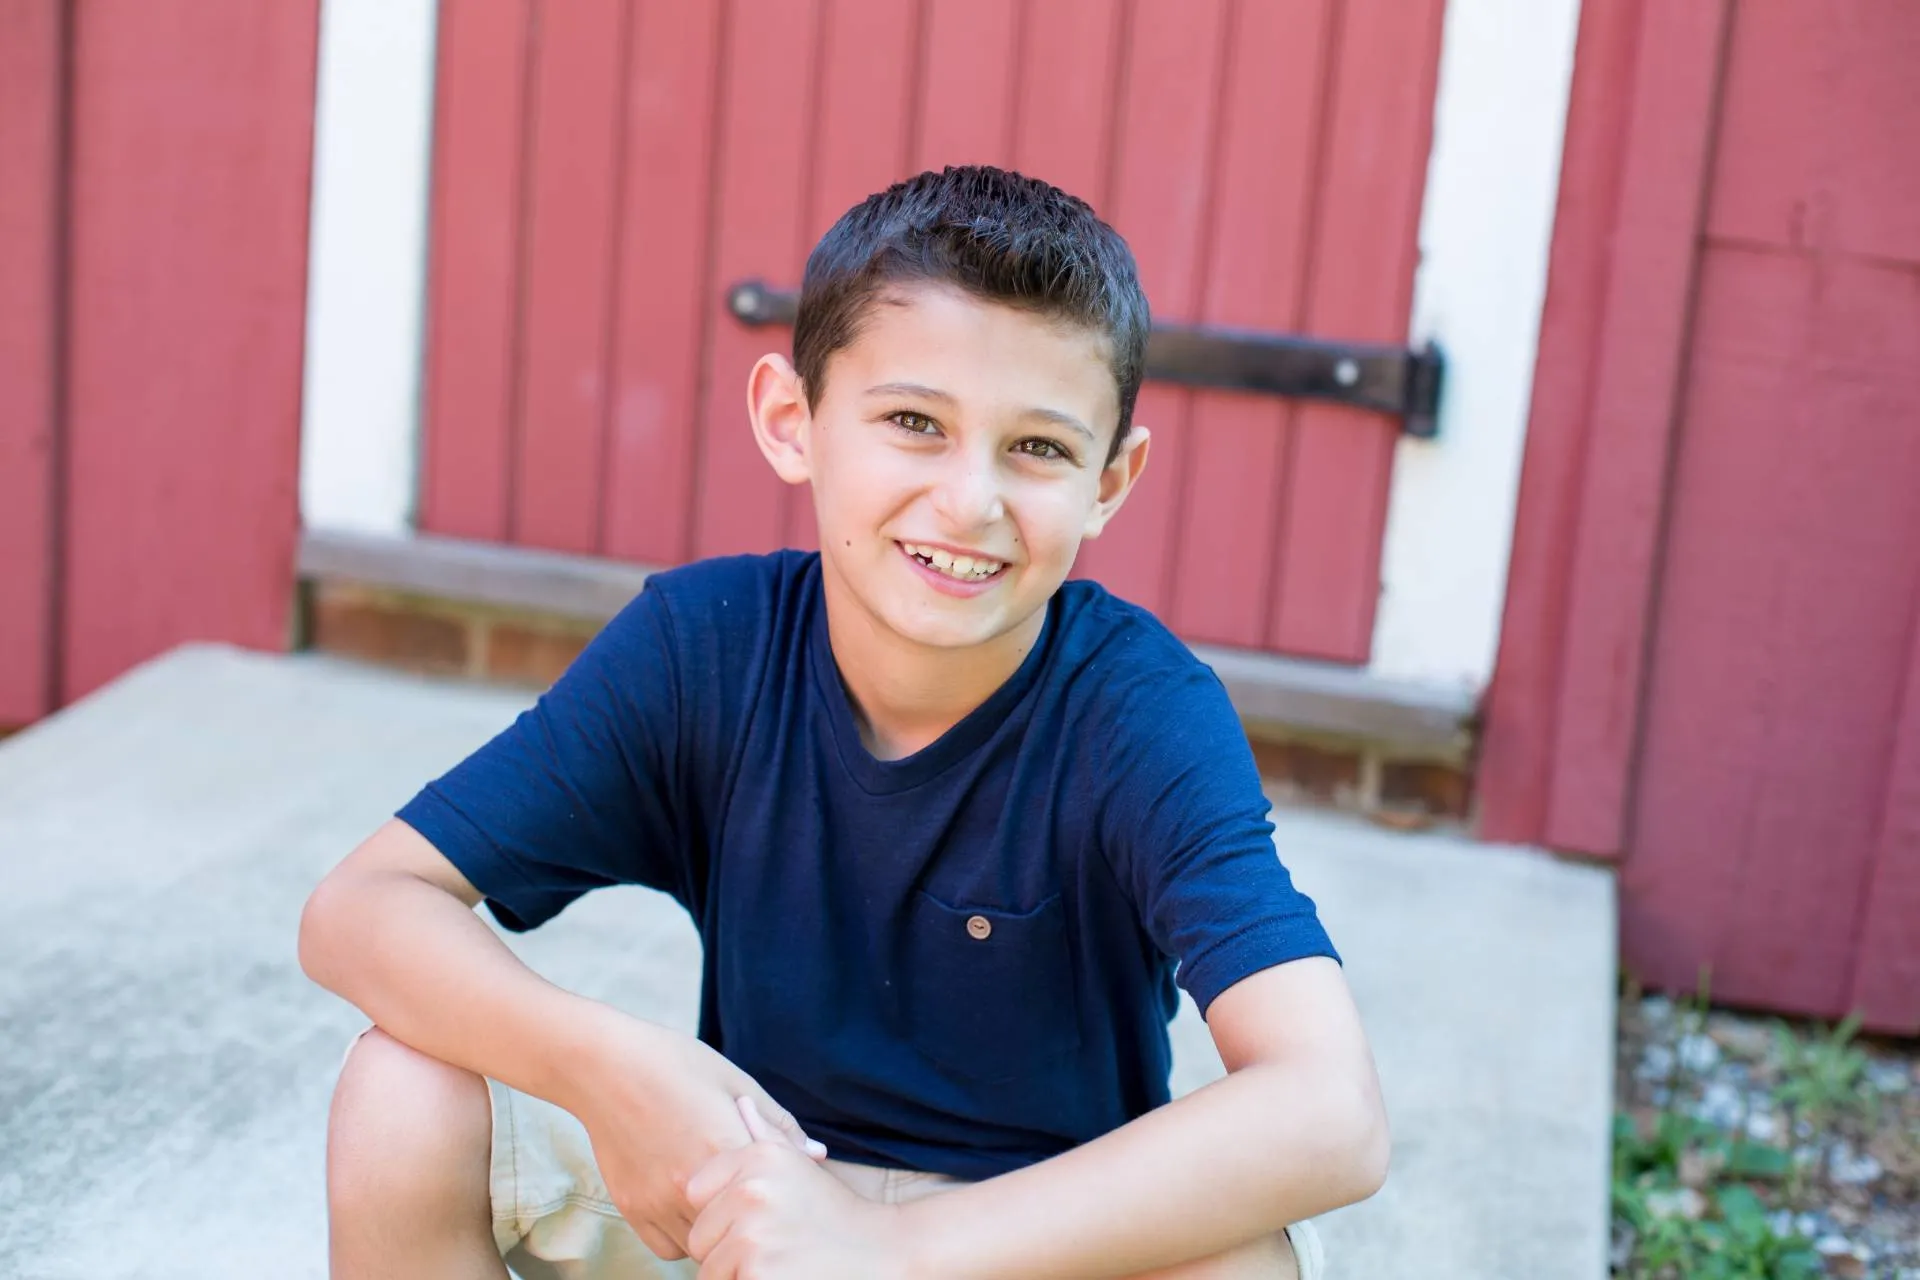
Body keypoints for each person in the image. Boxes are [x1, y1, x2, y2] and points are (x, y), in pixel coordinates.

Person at [300, 165, 1388, 1280]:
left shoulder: (1139, 711)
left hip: (1016, 1239)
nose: (971, 500)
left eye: (1040, 448)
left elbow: (1331, 1106)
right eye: (915, 421)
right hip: (748, 1201)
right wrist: (604, 1064)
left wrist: (889, 1247)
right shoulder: (705, 644)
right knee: (406, 1090)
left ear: (1112, 479)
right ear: (791, 420)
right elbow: (362, 907)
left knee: (1241, 1264)